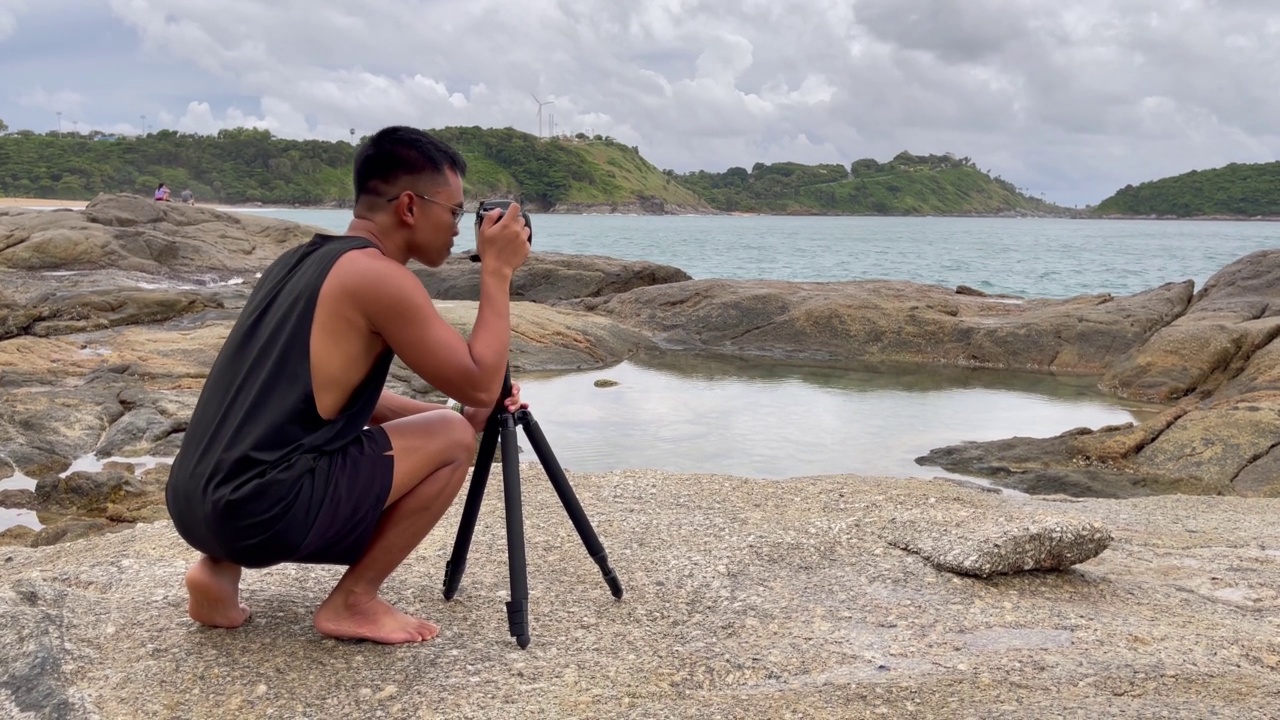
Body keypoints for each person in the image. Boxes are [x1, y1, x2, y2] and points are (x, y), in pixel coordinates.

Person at [164, 125, 532, 645]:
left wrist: (461, 415)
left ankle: (216, 570)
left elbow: (331, 401)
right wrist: (496, 273)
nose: (458, 229)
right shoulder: (379, 277)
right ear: (409, 206)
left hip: (195, 504)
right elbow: (479, 382)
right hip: (261, 515)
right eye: (453, 212)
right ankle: (354, 602)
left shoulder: (298, 261)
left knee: (447, 427)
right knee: (452, 443)